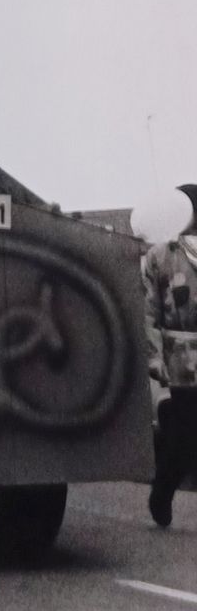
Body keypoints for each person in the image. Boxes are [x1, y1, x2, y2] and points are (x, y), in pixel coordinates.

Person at [144, 183, 197, 526]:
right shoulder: (161, 255)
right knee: (182, 437)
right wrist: (154, 358)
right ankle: (161, 492)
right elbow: (149, 314)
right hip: (180, 363)